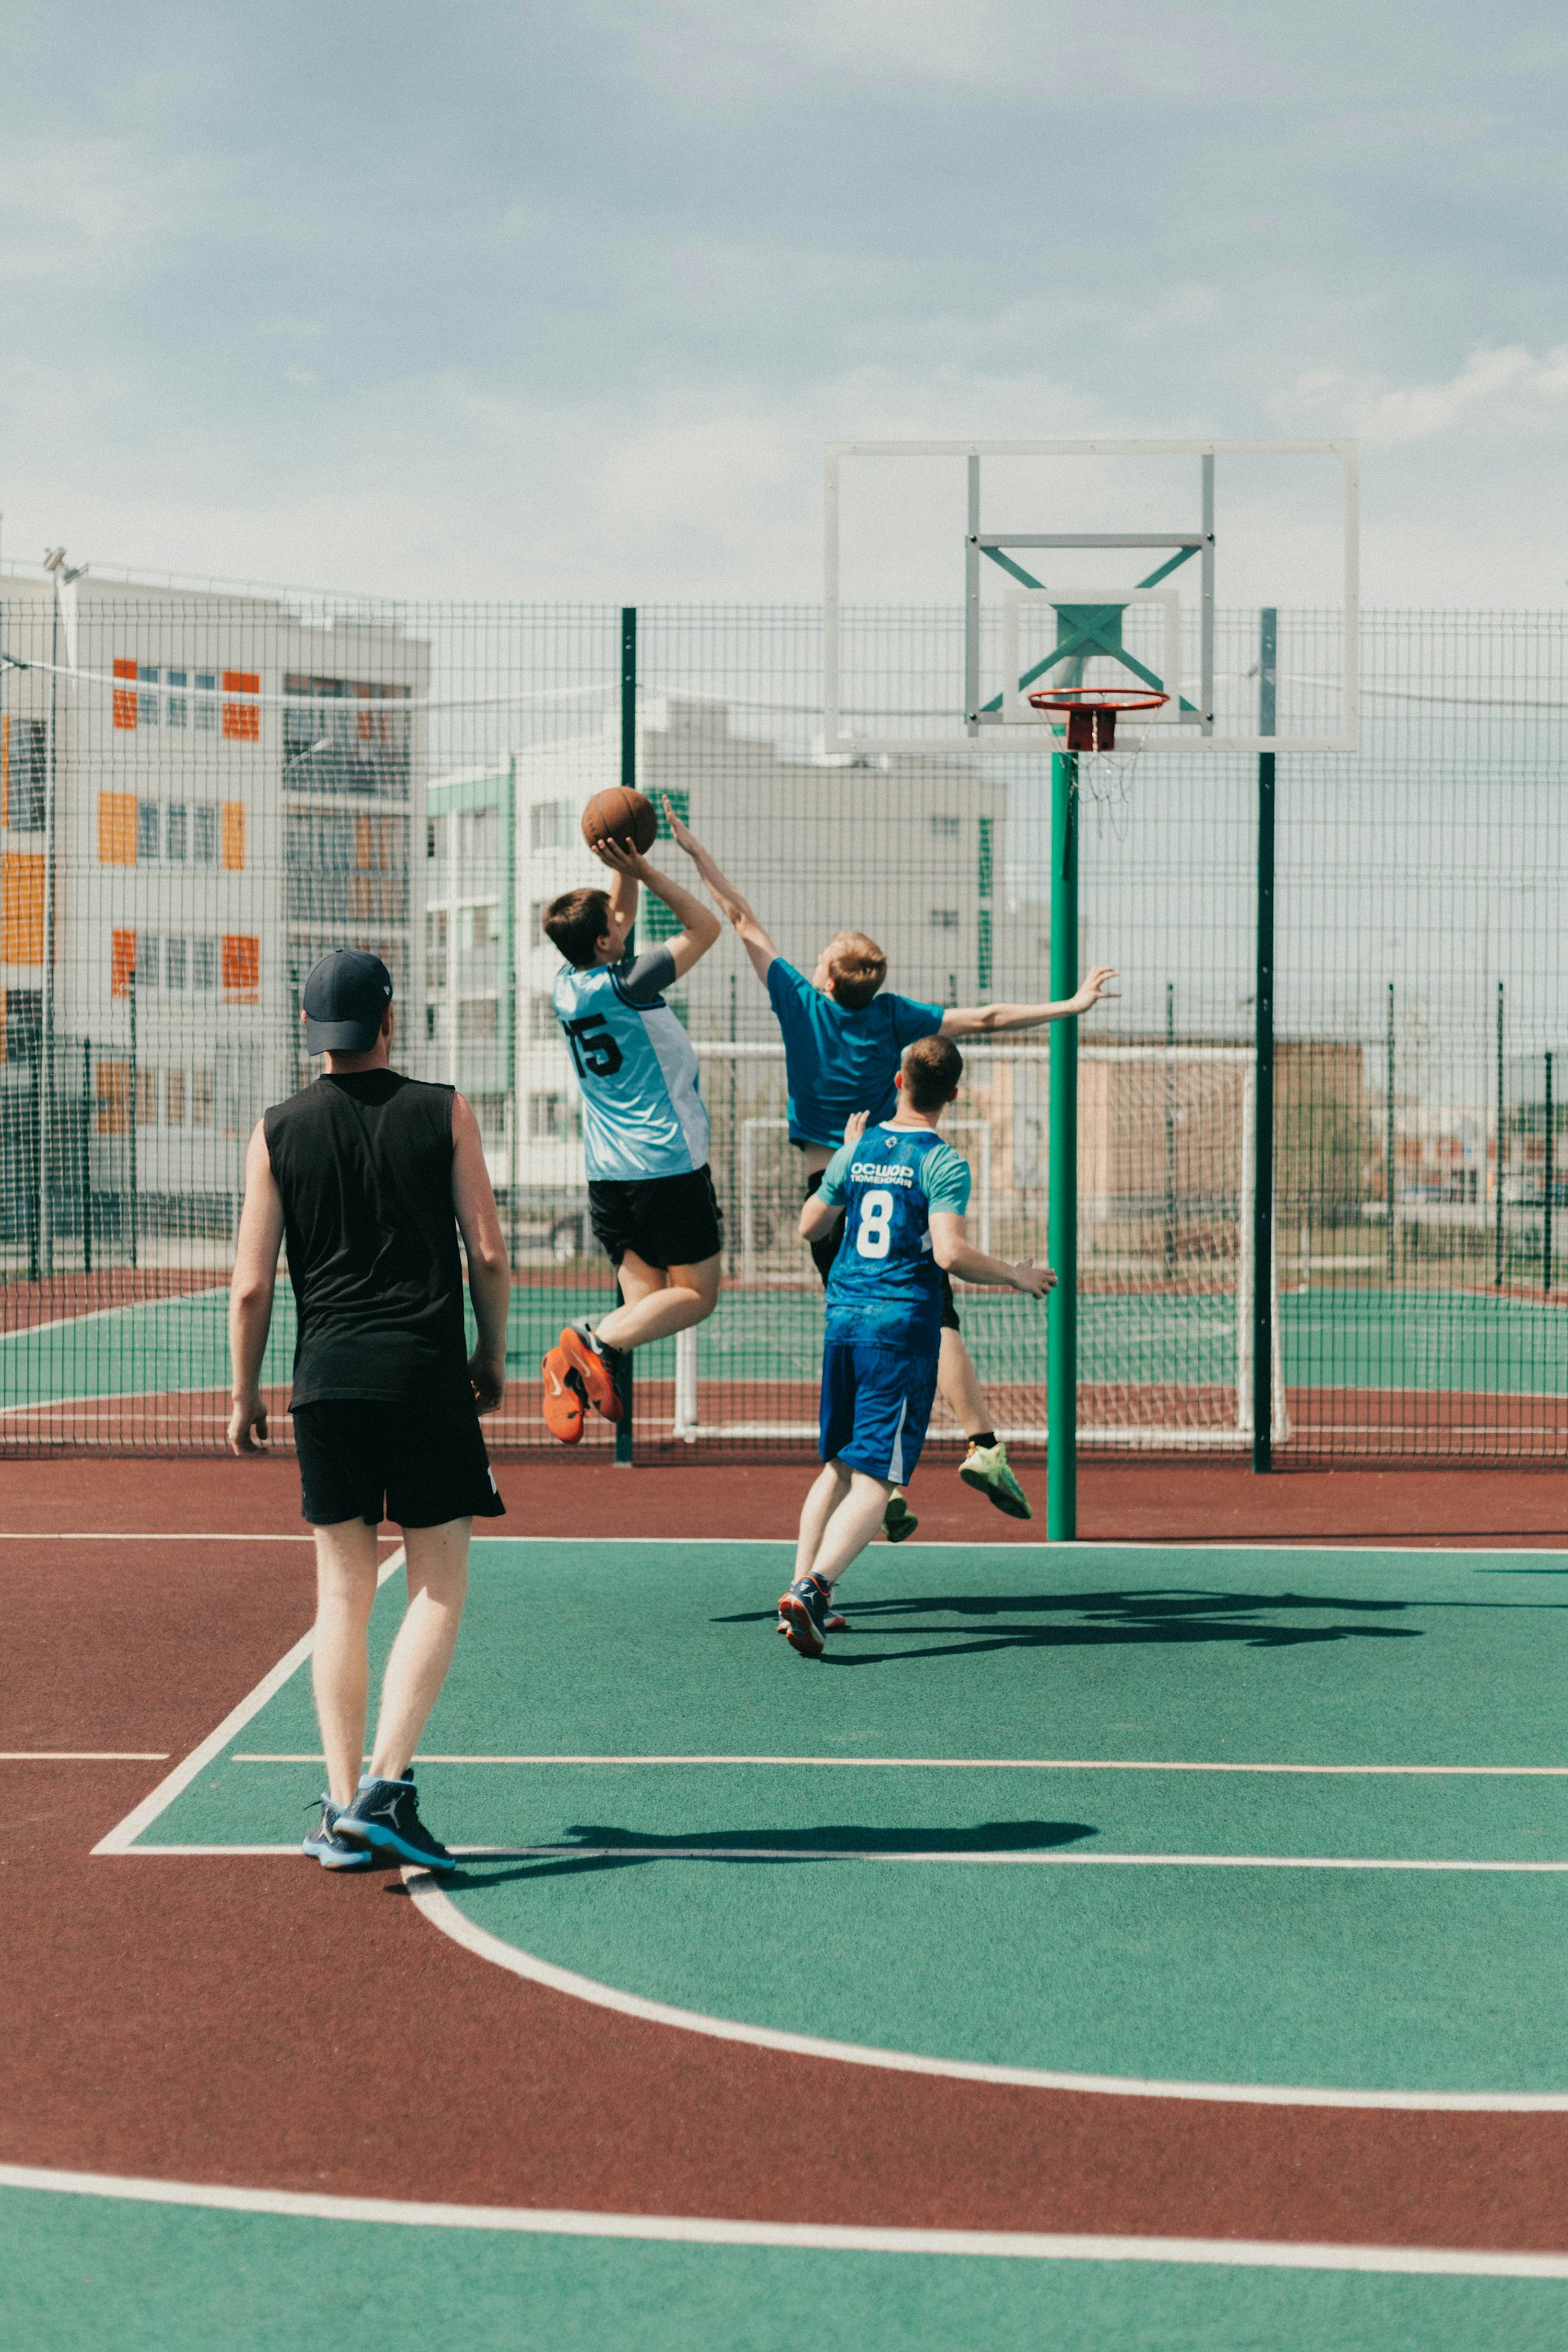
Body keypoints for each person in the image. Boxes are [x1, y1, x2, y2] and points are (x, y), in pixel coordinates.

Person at [662, 802, 1113, 1531]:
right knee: (930, 1316)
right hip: (891, 1178)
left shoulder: (799, 1003)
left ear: (827, 981)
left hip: (830, 1192)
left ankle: (893, 1481)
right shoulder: (893, 1016)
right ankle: (978, 1445)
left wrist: (692, 848)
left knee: (868, 1326)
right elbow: (989, 1018)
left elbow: (739, 915)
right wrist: (1071, 1003)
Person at [227, 948, 510, 1873]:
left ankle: (341, 1807)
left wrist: (245, 1395)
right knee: (436, 1580)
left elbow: (248, 1288)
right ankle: (387, 1788)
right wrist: (491, 1353)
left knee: (341, 1597)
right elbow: (491, 1253)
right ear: (389, 1021)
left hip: (326, 1383)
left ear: (312, 1031)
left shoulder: (274, 1131)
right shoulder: (445, 1109)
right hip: (425, 1377)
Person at [778, 1036, 1054, 1656]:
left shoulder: (860, 1147)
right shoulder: (943, 1162)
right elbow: (949, 1253)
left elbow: (809, 1226)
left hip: (843, 1318)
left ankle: (797, 1588)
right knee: (878, 1477)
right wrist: (1014, 1272)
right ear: (953, 1095)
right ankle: (816, 1589)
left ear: (897, 1080)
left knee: (838, 1467)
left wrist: (845, 1164)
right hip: (899, 1329)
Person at [539, 828, 724, 1442]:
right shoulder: (631, 981)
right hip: (664, 1165)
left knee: (644, 1304)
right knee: (696, 1297)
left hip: (607, 1173)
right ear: (603, 941)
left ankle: (588, 1364)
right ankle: (588, 1343)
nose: (624, 928)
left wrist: (615, 865)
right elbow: (706, 929)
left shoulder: (567, 987)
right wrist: (645, 870)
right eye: (614, 930)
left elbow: (613, 918)